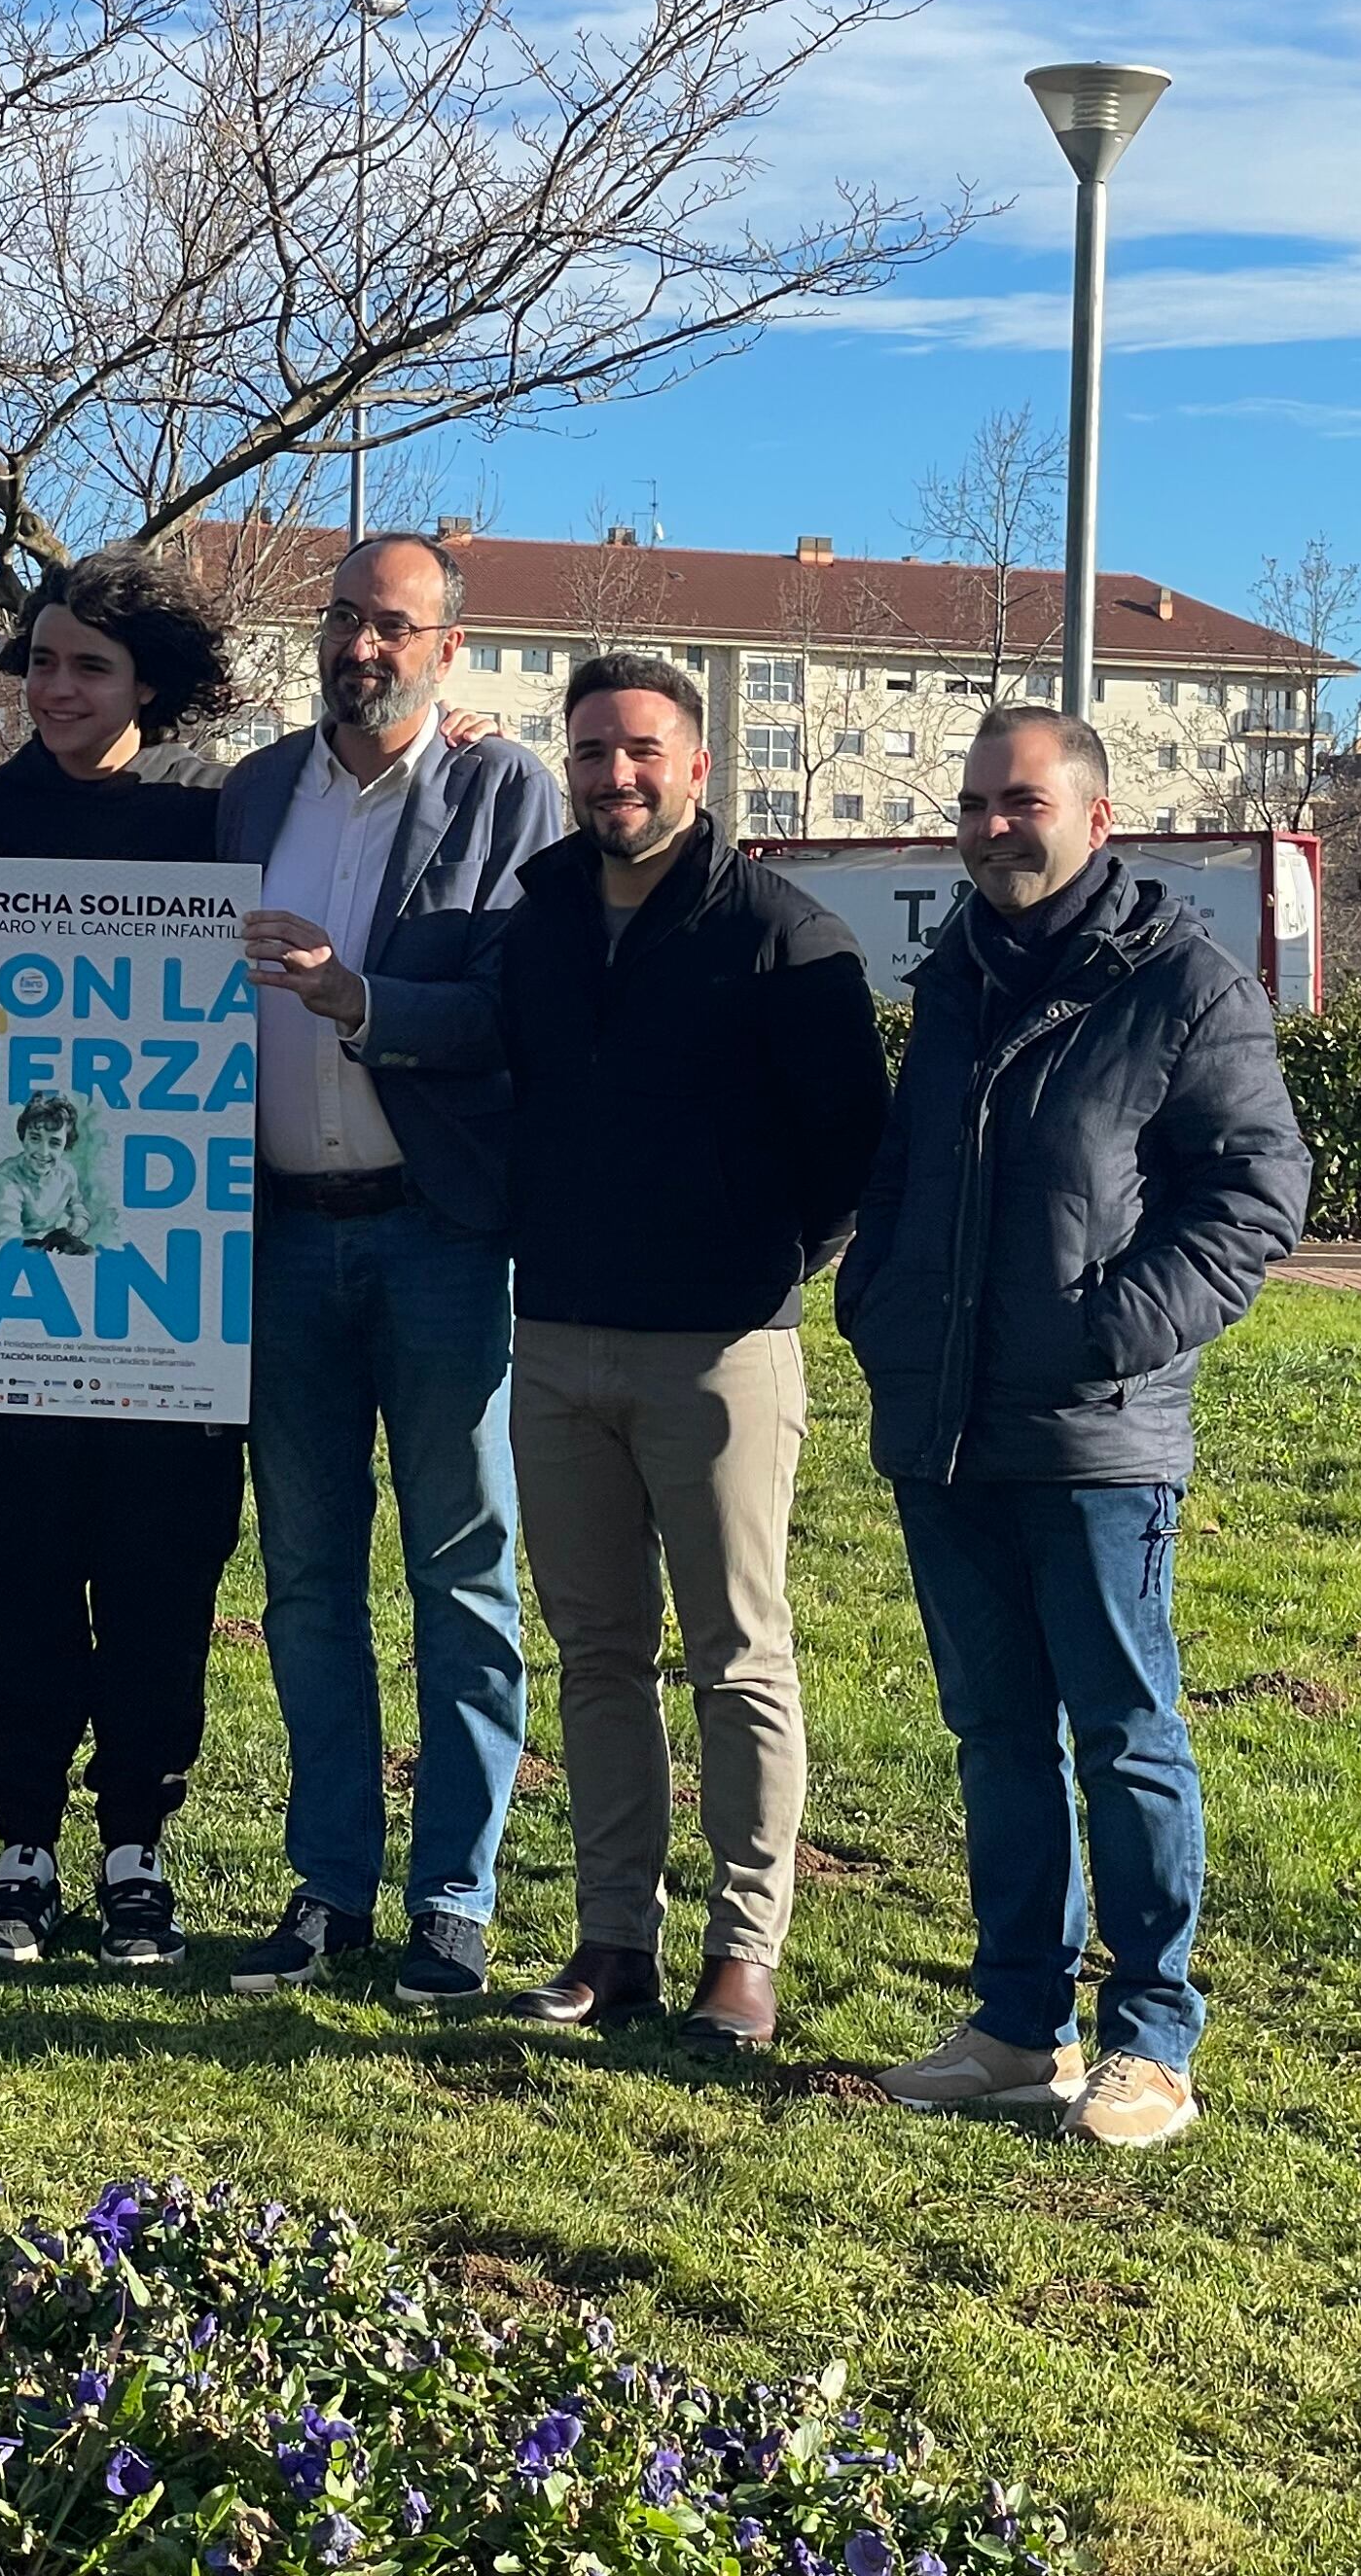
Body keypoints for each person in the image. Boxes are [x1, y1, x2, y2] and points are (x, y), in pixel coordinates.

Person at [837, 706, 1310, 2148]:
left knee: (1125, 1733)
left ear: (1098, 819)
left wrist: (1105, 1336)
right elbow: (905, 1175)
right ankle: (1014, 2027)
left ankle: (1153, 2044)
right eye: (976, 804)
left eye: (1023, 802)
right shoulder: (956, 979)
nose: (994, 827)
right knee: (996, 1734)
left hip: (1096, 1437)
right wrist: (879, 1306)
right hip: (946, 1424)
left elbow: (1255, 1194)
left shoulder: (1184, 984)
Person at [494, 655, 889, 2049]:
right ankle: (615, 1941)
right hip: (555, 1337)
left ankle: (744, 1953)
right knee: (597, 1654)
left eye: (644, 751)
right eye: (592, 752)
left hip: (721, 1349)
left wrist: (755, 1268)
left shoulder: (784, 932)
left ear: (699, 766)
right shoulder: (539, 916)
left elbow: (850, 1150)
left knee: (736, 1656)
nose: (617, 776)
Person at [216, 530, 565, 2007]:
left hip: (439, 1234)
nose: (362, 646)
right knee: (306, 1577)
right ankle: (328, 1884)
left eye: (396, 626)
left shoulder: (504, 789)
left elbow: (518, 1010)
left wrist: (362, 1002)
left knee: (462, 1570)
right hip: (275, 1236)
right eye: (345, 617)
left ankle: (455, 1898)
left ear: (449, 648)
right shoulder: (249, 794)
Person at [0, 548, 253, 1969]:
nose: (55, 689)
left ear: (152, 686)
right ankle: (19, 1844)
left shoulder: (220, 824)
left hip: (174, 1285)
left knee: (161, 1569)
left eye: (91, 667)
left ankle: (137, 1847)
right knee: (13, 1558)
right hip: (4, 1291)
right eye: (42, 661)